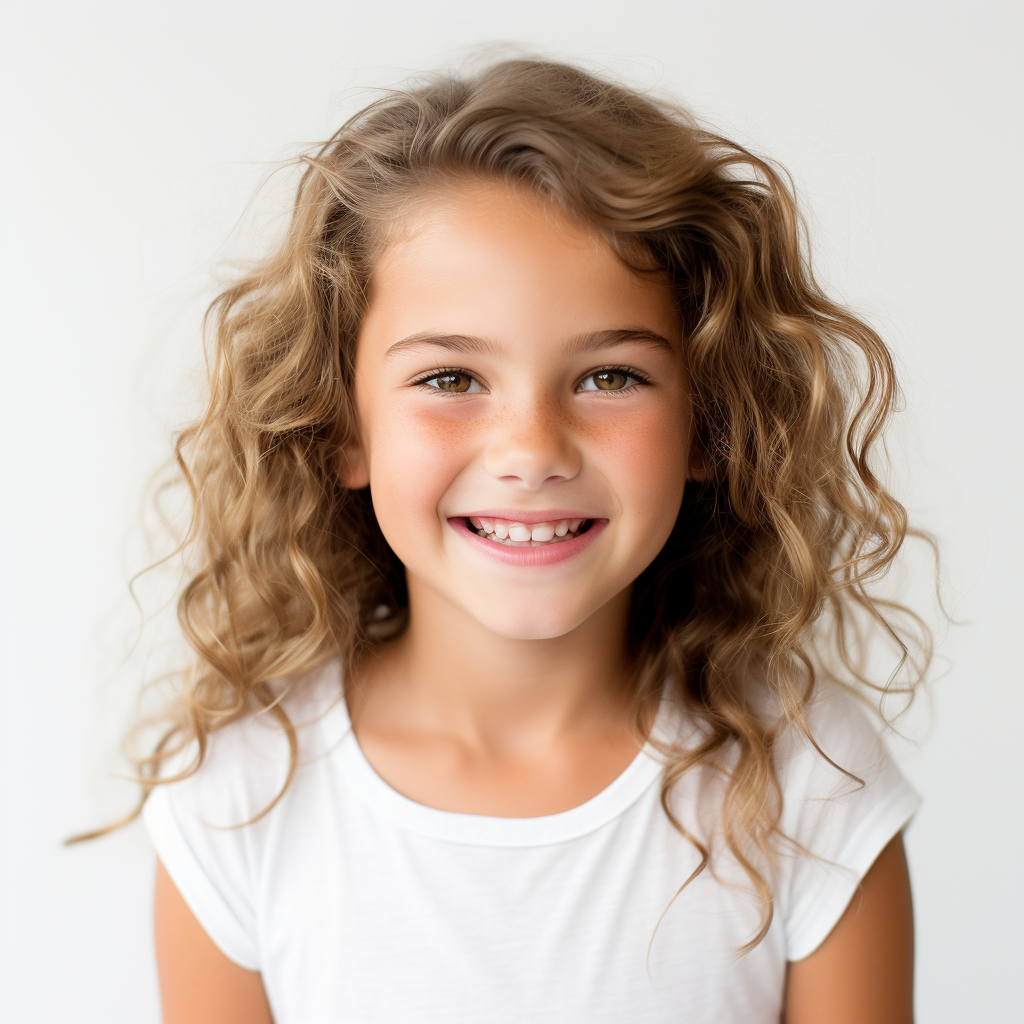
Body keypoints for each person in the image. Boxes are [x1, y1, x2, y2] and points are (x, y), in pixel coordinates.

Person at [137, 58, 927, 1023]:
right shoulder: (239, 800)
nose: (531, 452)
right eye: (451, 379)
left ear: (710, 424)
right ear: (342, 426)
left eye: (608, 378)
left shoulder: (810, 784)